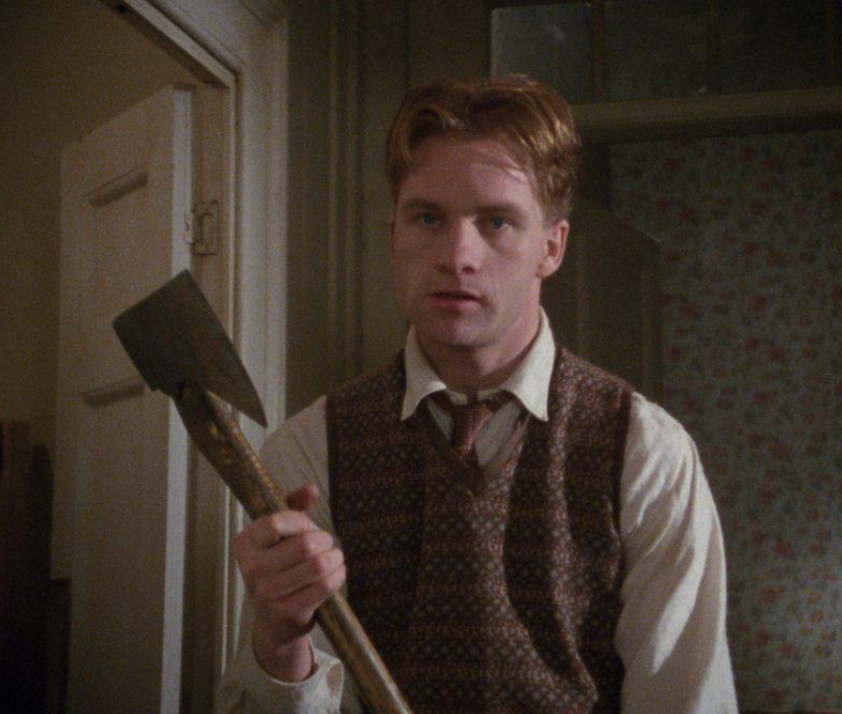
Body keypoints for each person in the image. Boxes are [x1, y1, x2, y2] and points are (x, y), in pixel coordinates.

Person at [218, 75, 738, 714]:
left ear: (552, 247)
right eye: (428, 218)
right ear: (394, 234)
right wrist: (279, 644)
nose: (458, 255)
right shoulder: (309, 453)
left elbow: (686, 701)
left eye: (496, 221)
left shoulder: (645, 453)